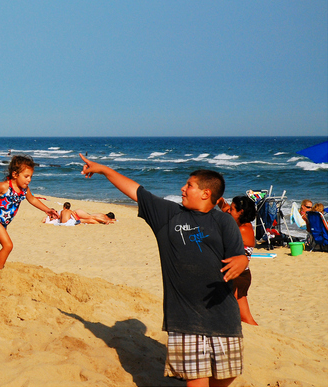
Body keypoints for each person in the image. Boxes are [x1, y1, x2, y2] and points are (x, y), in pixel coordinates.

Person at [80, 154, 247, 386]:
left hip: (223, 315)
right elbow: (136, 191)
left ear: (206, 193)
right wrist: (104, 170)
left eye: (189, 185)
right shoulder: (169, 215)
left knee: (227, 375)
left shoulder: (224, 222)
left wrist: (242, 261)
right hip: (186, 318)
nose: (183, 188)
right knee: (196, 381)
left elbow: (239, 256)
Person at [0, 155, 58, 269]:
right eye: (26, 176)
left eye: (31, 177)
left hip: (4, 224)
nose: (29, 180)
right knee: (8, 245)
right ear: (15, 174)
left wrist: (47, 210)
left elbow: (33, 200)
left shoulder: (24, 190)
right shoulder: (4, 186)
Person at [218, 196, 259, 326]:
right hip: (240, 275)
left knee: (244, 318)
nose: (229, 211)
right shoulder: (239, 222)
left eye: (232, 209)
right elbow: (224, 208)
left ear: (241, 212)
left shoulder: (242, 230)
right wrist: (220, 202)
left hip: (238, 276)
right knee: (244, 317)